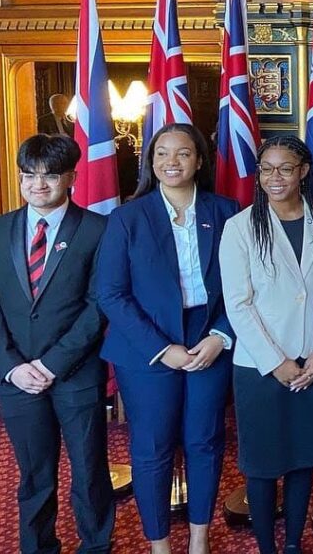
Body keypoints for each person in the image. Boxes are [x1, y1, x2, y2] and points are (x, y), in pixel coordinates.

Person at [93, 123, 239, 554]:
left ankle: (199, 538)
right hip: (146, 348)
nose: (171, 162)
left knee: (204, 441)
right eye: (161, 154)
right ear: (150, 162)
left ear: (199, 161)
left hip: (209, 340)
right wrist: (162, 348)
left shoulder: (226, 210)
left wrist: (220, 335)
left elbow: (245, 285)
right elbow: (111, 294)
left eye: (183, 153)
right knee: (152, 446)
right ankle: (159, 544)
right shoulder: (127, 217)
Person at [0, 133, 114, 554]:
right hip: (16, 376)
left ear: (71, 177)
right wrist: (12, 366)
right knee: (34, 474)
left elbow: (98, 305)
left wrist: (52, 365)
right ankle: (38, 547)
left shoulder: (97, 229)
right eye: (28, 176)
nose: (38, 185)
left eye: (50, 176)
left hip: (75, 374)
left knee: (89, 472)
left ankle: (96, 546)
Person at [219, 135, 313, 554]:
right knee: (262, 463)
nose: (275, 177)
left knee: (303, 457)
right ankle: (267, 547)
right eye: (266, 169)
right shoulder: (239, 227)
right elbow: (238, 305)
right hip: (259, 366)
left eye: (285, 168)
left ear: (303, 172)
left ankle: (292, 544)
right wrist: (277, 363)